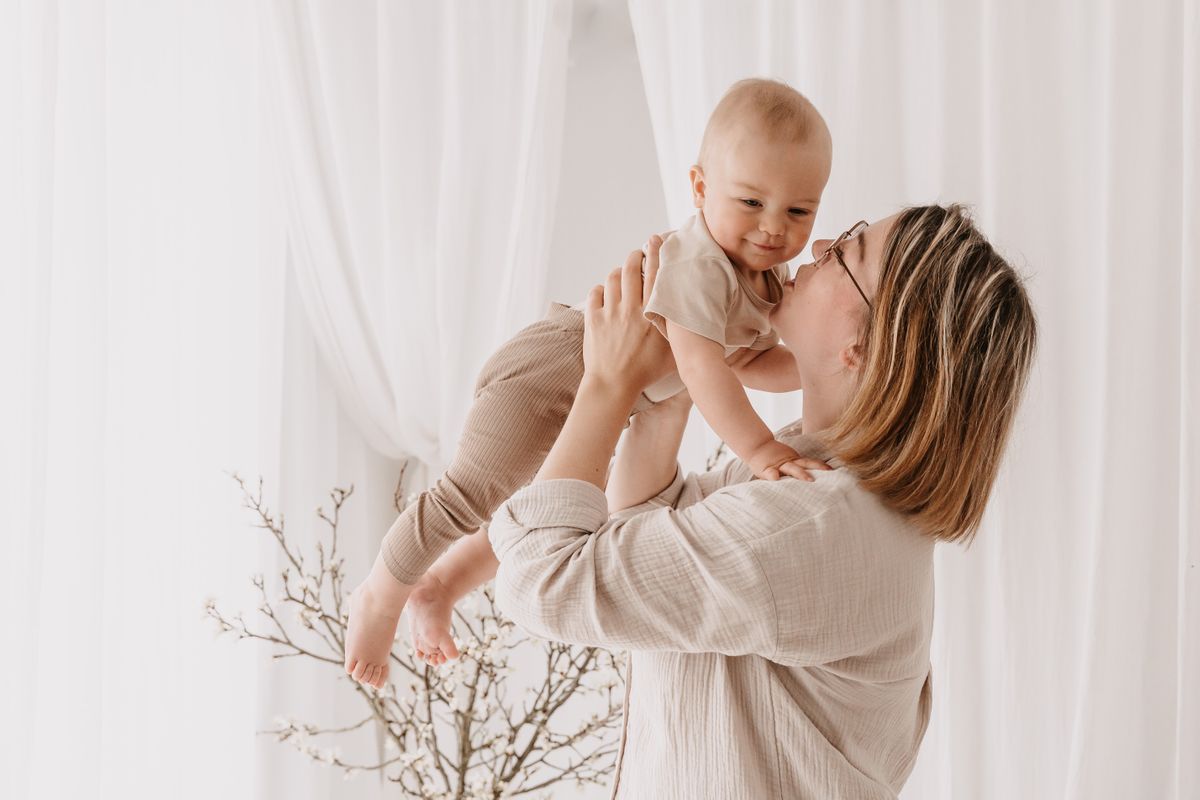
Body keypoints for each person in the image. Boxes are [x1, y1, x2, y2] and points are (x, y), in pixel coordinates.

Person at [483, 204, 1038, 798]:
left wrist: (607, 385)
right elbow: (648, 525)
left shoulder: (813, 524)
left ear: (863, 345)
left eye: (847, 251)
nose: (820, 241)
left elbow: (543, 579)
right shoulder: (812, 474)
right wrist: (673, 384)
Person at [344, 77, 834, 685]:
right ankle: (378, 596)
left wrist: (822, 364)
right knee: (468, 495)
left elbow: (749, 365)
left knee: (549, 512)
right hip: (551, 371)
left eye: (799, 210)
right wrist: (759, 449)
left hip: (604, 395)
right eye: (751, 203)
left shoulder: (760, 281)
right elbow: (704, 367)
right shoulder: (700, 262)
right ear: (701, 187)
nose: (772, 228)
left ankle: (440, 585)